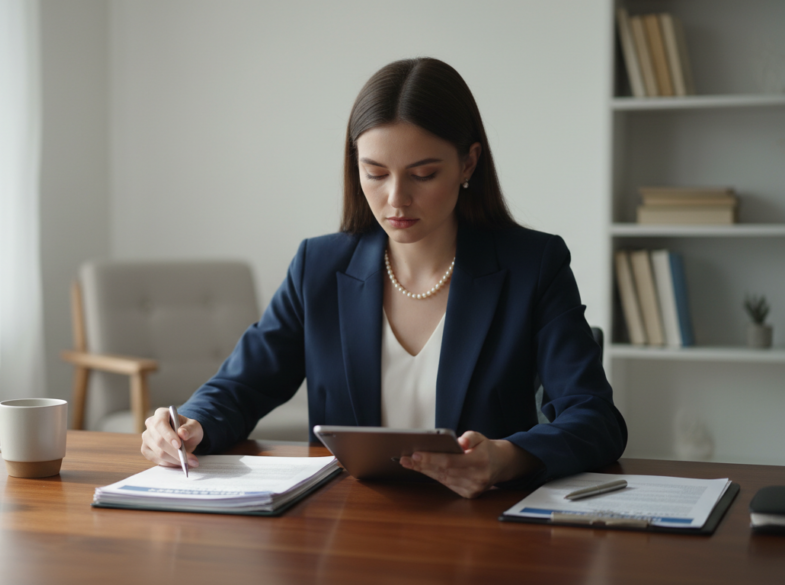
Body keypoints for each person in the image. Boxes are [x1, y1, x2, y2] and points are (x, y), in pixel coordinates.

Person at [140, 57, 627, 498]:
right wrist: (189, 424)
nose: (396, 199)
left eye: (423, 174)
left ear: (469, 162)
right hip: (349, 525)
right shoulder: (319, 266)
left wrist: (506, 458)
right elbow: (240, 386)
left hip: (485, 525)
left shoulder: (533, 265)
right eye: (375, 173)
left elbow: (594, 418)